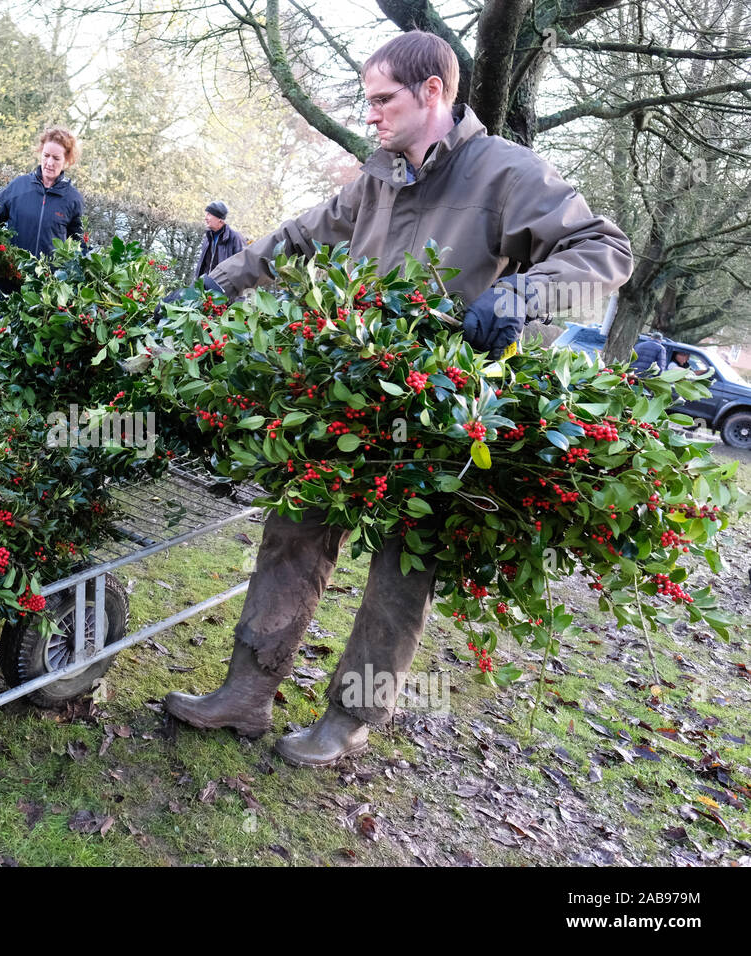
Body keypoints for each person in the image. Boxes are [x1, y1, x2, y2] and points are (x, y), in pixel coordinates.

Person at [163, 30, 634, 768]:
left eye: (383, 99)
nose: (372, 113)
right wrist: (213, 289)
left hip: (443, 412)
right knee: (294, 530)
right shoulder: (379, 176)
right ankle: (246, 691)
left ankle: (348, 718)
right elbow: (298, 238)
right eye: (369, 100)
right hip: (351, 398)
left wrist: (522, 295)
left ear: (433, 93)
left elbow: (608, 253)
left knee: (402, 567)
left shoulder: (504, 171)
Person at [0, 126, 84, 320]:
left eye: (56, 158)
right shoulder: (18, 187)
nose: (49, 163)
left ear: (67, 161)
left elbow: (78, 244)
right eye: (46, 155)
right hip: (8, 278)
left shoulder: (72, 199)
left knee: (28, 347)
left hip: (44, 289)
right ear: (40, 152)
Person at [195, 201, 245, 278]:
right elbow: (202, 266)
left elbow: (242, 267)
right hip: (204, 286)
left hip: (223, 287)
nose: (206, 218)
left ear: (219, 219)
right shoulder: (208, 237)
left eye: (209, 214)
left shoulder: (235, 238)